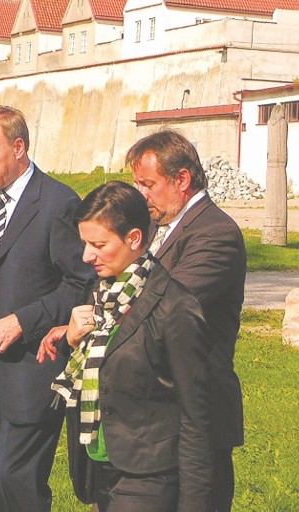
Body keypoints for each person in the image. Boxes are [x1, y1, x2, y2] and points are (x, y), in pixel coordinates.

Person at [38, 180, 213, 512]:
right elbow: (100, 368)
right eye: (84, 243)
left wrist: (194, 503)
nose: (87, 255)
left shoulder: (175, 308)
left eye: (98, 244)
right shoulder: (103, 293)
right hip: (101, 469)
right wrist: (71, 341)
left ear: (134, 238)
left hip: (148, 476)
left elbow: (197, 417)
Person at [0, 105, 95, 511]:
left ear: (19, 147)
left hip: (36, 364)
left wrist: (23, 321)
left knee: (16, 481)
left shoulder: (58, 203)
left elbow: (80, 283)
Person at [127, 130, 246, 512]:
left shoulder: (215, 232)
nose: (140, 195)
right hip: (158, 417)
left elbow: (165, 305)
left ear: (181, 180)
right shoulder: (163, 228)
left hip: (196, 414)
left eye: (148, 184)